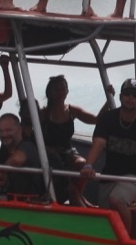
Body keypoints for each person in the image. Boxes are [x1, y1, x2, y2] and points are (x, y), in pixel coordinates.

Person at [79, 78, 136, 239]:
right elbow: (98, 143)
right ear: (120, 96)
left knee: (117, 200)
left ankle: (125, 240)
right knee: (106, 213)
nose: (131, 98)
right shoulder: (108, 118)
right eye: (127, 94)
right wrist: (88, 166)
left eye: (135, 95)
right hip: (111, 173)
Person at [41, 74, 103, 205]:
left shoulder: (72, 110)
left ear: (67, 91)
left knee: (83, 164)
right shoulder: (43, 113)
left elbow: (96, 120)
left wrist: (109, 100)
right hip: (50, 155)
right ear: (49, 93)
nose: (60, 93)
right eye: (56, 89)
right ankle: (75, 195)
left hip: (68, 151)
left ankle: (78, 194)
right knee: (69, 187)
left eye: (63, 89)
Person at [0, 112, 46, 199]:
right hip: (5, 201)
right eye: (1, 131)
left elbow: (17, 159)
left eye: (8, 130)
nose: (4, 134)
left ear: (20, 129)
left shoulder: (28, 146)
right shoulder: (4, 151)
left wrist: (2, 171)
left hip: (27, 203)